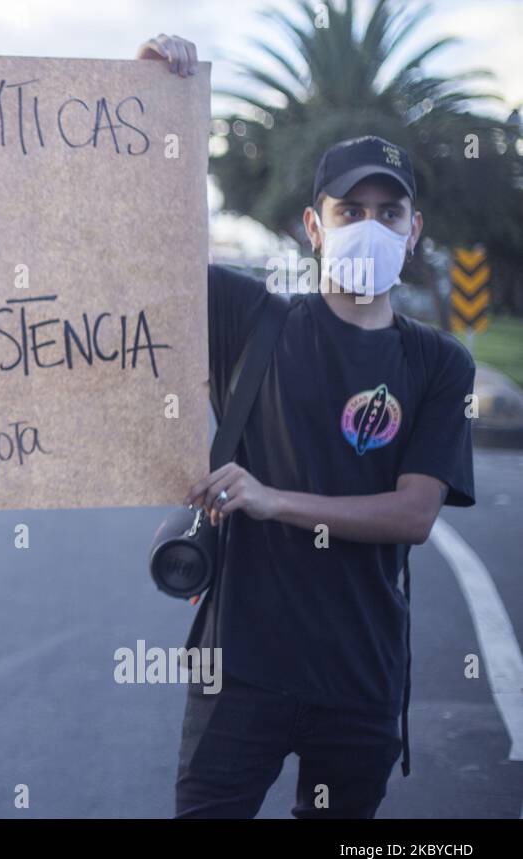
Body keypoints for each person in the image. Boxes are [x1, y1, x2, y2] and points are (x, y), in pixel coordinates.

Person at [137, 35, 476, 818]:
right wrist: (157, 102)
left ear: (414, 229)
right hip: (242, 674)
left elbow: (414, 514)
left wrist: (272, 498)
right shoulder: (250, 319)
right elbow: (141, 246)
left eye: (388, 213)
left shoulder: (439, 365)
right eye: (349, 211)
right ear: (313, 228)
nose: (370, 225)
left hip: (359, 682)